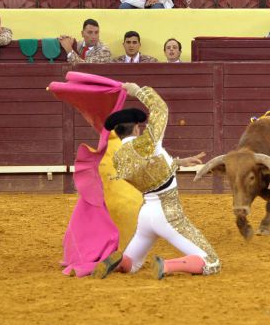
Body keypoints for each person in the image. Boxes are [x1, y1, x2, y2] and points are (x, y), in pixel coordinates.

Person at [91, 83, 220, 280]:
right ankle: (167, 265)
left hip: (146, 216)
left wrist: (177, 162)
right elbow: (160, 108)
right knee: (211, 260)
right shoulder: (147, 142)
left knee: (133, 264)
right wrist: (138, 91)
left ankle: (120, 262)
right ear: (136, 128)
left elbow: (150, 171)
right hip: (167, 214)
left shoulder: (119, 157)